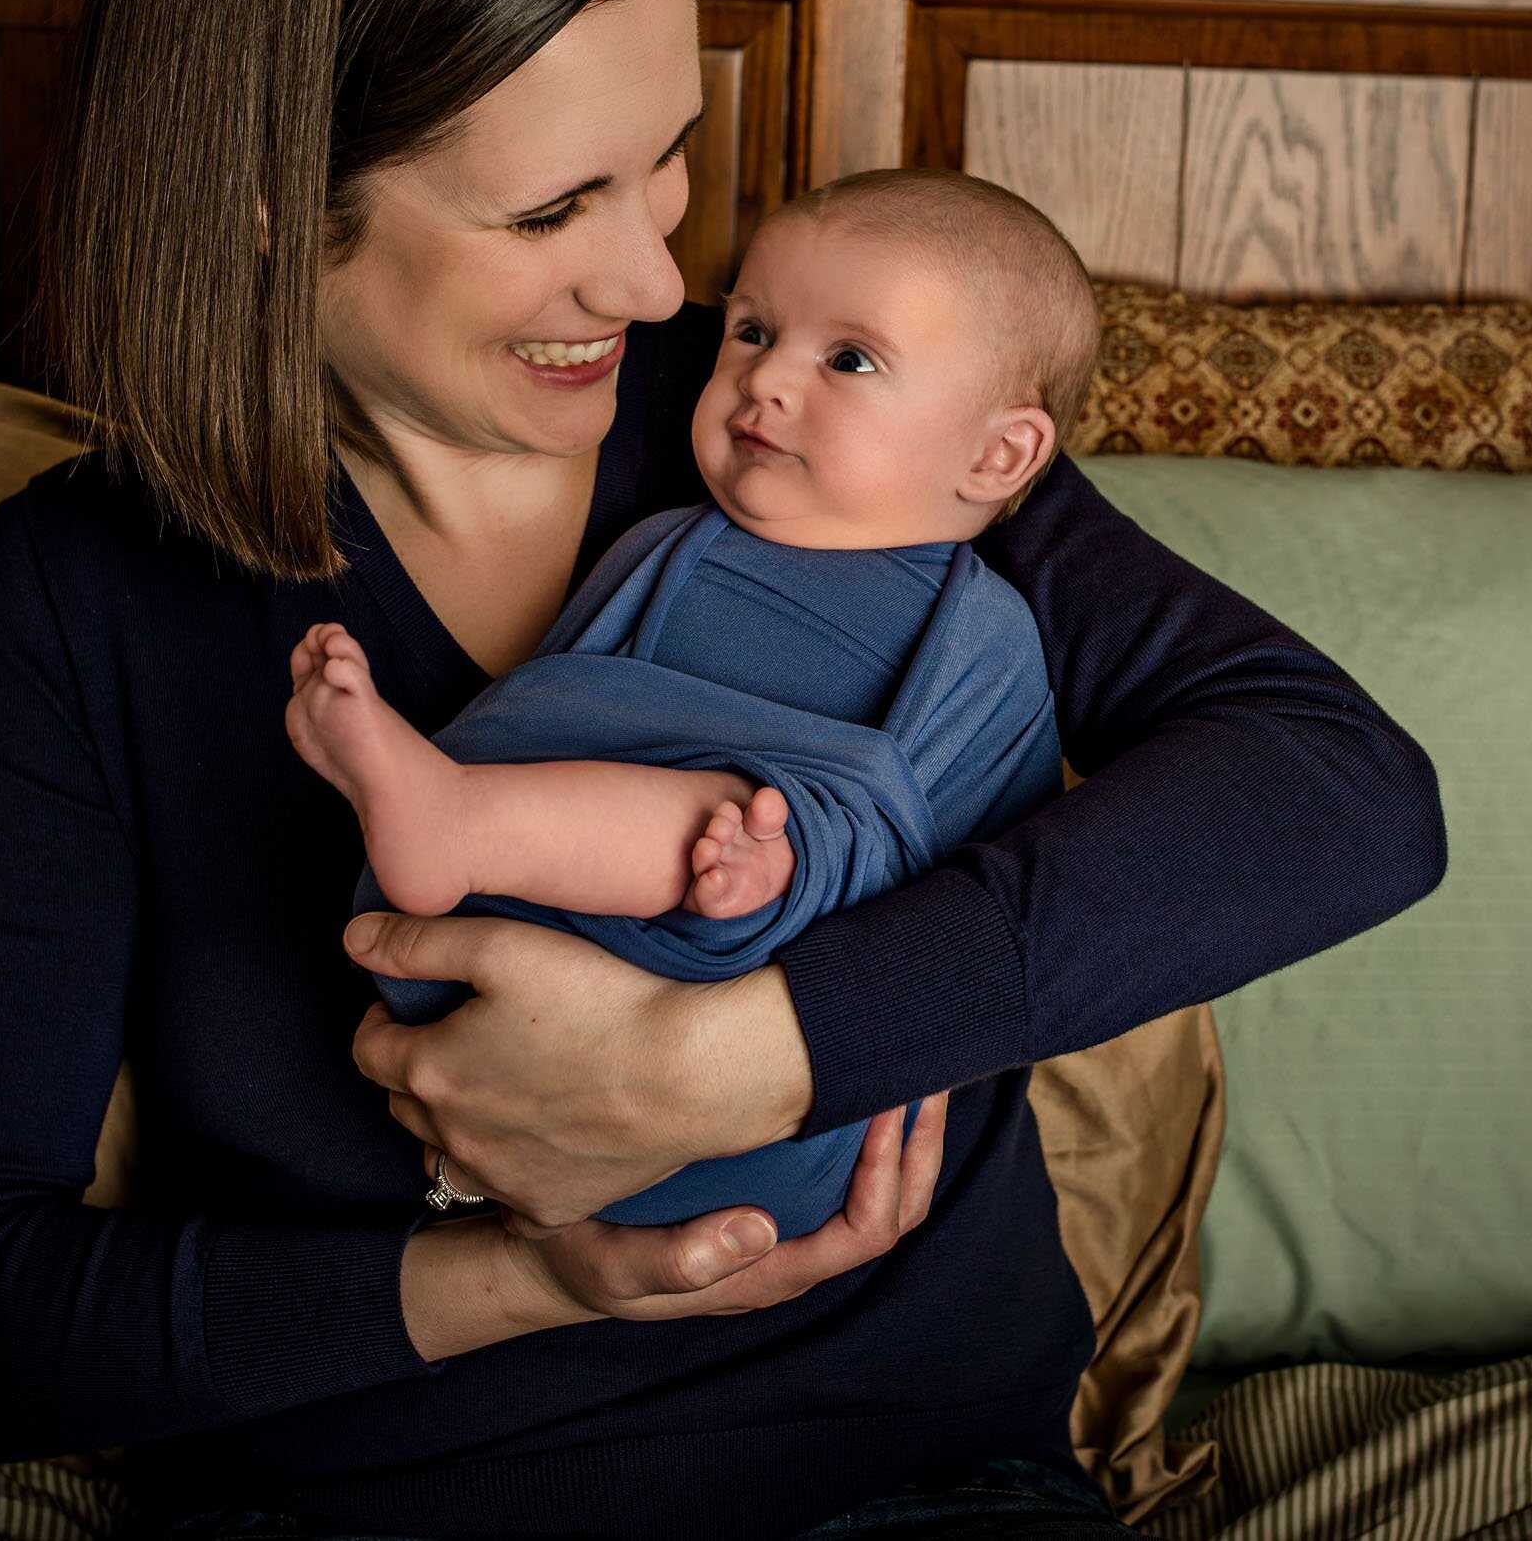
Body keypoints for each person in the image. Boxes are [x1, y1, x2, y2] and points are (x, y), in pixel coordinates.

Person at [0, 0, 1448, 1541]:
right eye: (548, 207)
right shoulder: (94, 585)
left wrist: (733, 1055)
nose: (659, 275)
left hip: (914, 1493)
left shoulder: (819, 425)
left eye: (666, 152)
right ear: (270, 201)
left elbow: (1340, 793)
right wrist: (525, 1275)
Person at [287, 167, 1100, 1244]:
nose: (765, 382)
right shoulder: (669, 543)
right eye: (754, 329)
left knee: (732, 810)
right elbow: (568, 709)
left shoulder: (978, 627)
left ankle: (452, 819)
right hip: (490, 1014)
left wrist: (783, 871)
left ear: (997, 453)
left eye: (847, 359)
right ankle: (457, 822)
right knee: (634, 786)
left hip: (769, 1082)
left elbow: (962, 855)